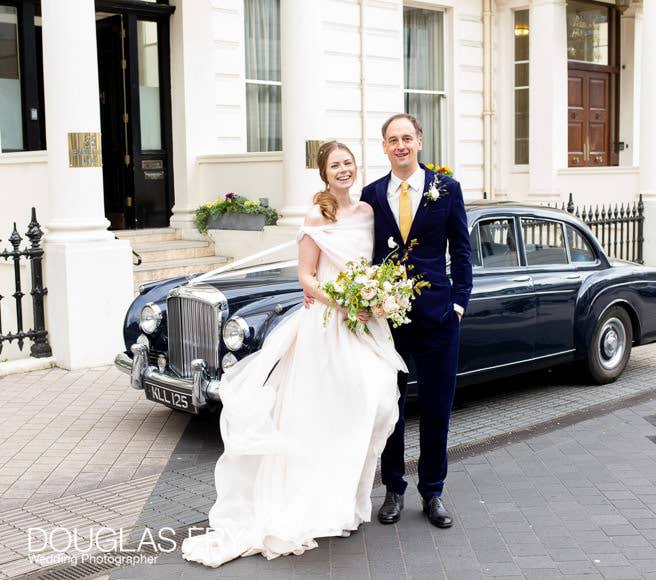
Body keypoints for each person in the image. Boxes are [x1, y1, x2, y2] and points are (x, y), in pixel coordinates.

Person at [181, 141, 406, 567]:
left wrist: (377, 297)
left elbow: (373, 262)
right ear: (324, 173)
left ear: (356, 167)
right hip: (328, 323)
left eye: (347, 163)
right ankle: (316, 500)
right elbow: (305, 276)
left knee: (376, 402)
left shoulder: (368, 212)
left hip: (365, 322)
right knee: (327, 412)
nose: (343, 169)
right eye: (334, 165)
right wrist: (343, 303)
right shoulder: (316, 214)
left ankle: (350, 499)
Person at [360, 113, 473, 528]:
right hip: (387, 321)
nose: (401, 145)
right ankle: (392, 490)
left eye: (407, 138)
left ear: (420, 142)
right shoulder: (371, 195)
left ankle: (433, 493)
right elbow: (363, 252)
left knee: (437, 408)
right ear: (385, 147)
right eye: (393, 140)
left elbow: (462, 251)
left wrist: (458, 303)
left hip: (439, 317)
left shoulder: (447, 189)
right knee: (390, 408)